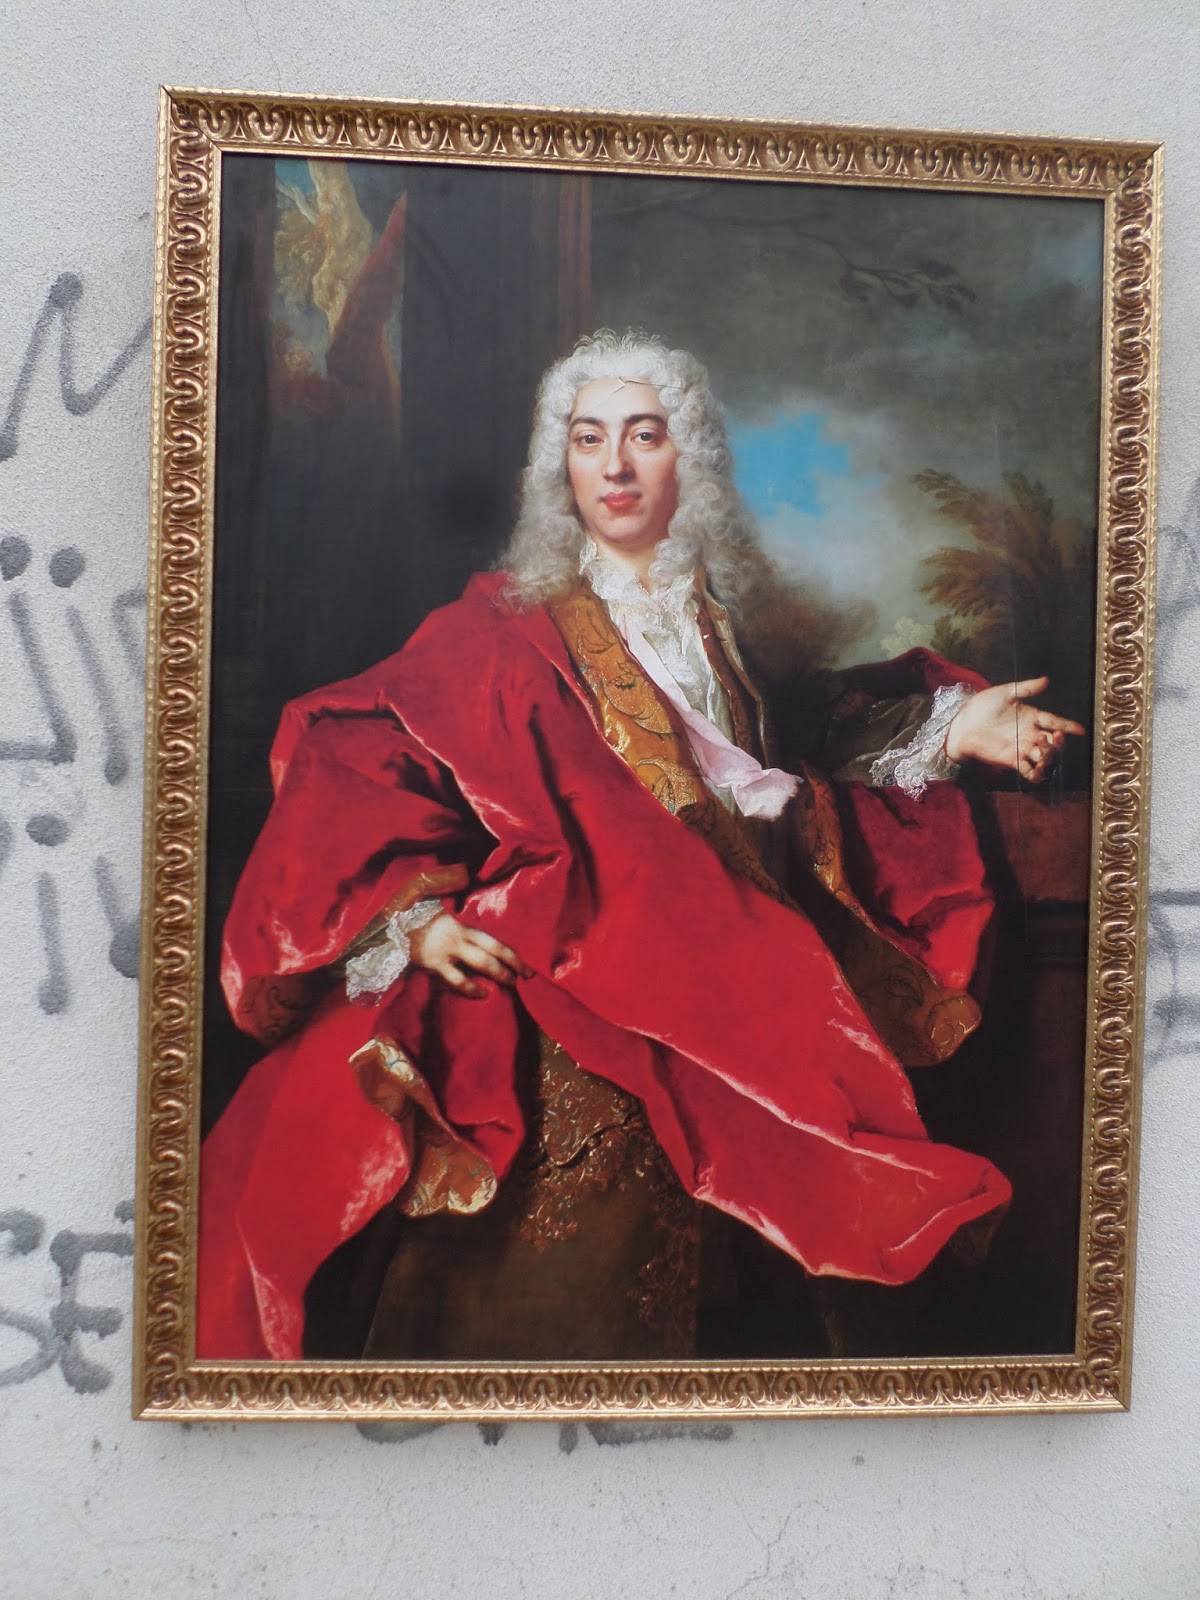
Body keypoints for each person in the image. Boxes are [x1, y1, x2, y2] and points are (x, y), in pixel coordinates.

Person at [197, 331, 1084, 1363]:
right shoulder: (498, 627)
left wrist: (957, 725)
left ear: (688, 456)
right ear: (560, 465)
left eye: (644, 435)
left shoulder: (729, 621)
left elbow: (810, 736)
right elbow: (360, 747)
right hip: (573, 978)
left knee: (778, 1303)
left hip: (730, 970)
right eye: (589, 439)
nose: (614, 465)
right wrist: (416, 920)